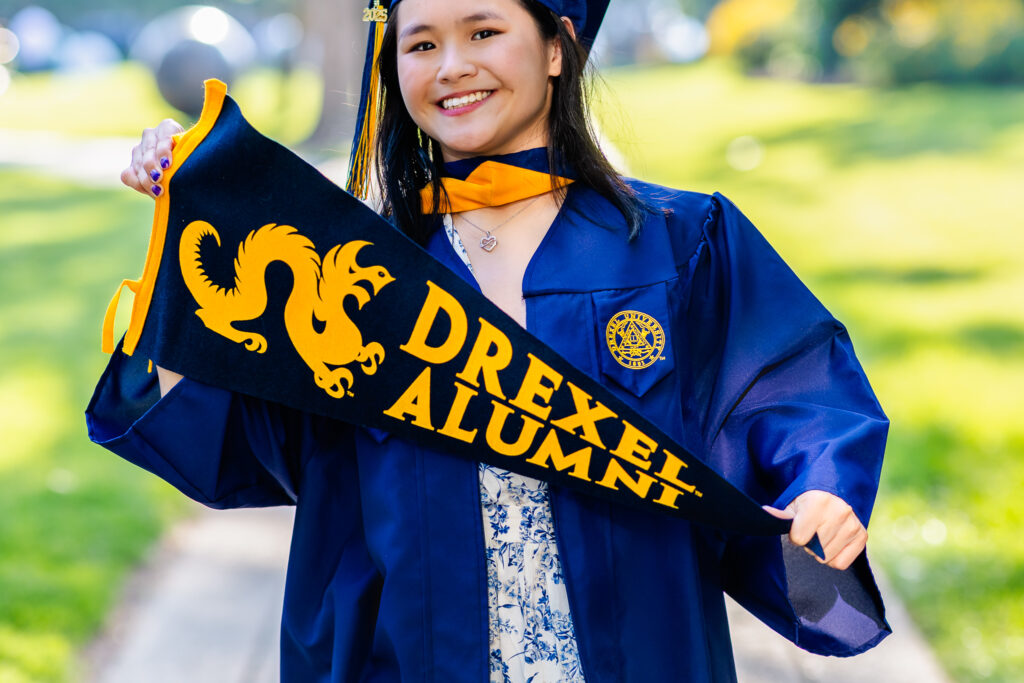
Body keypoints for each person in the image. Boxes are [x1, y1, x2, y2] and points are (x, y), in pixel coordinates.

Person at [93, 0, 889, 680]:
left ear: (556, 47)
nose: (451, 67)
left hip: (636, 651)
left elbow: (791, 382)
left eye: (483, 32)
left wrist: (824, 482)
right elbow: (257, 433)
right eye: (422, 43)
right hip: (405, 658)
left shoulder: (678, 243)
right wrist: (185, 220)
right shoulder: (356, 267)